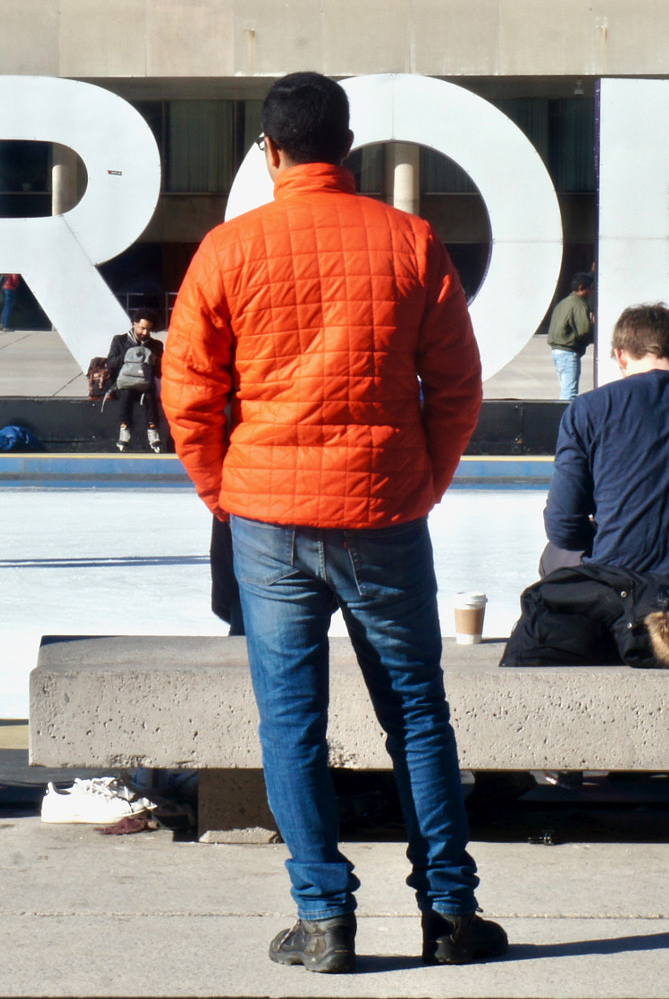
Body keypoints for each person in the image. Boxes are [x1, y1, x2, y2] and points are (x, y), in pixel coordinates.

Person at [161, 71, 505, 974]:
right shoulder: (410, 241)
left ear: (267, 152)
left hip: (269, 513)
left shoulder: (227, 251)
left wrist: (223, 492)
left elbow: (188, 395)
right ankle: (450, 912)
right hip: (384, 503)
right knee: (418, 712)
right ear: (346, 150)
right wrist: (423, 479)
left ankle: (324, 921)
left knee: (291, 723)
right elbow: (458, 387)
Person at [543, 302, 669, 580]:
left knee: (552, 556)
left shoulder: (587, 409)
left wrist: (607, 535)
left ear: (621, 356)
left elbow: (562, 525)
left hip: (618, 585)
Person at [106, 310, 166, 452]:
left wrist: (156, 361)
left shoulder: (155, 345)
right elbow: (111, 363)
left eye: (149, 330)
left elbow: (160, 373)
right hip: (124, 384)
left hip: (145, 385)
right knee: (127, 392)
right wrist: (130, 355)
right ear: (134, 324)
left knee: (150, 393)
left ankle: (153, 430)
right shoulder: (120, 341)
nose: (145, 333)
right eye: (142, 328)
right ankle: (124, 428)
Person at [546, 272, 594, 403]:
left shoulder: (564, 303)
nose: (591, 292)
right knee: (569, 393)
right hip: (568, 352)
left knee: (566, 389)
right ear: (582, 288)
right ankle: (564, 419)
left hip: (557, 351)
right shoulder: (579, 305)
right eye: (590, 288)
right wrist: (591, 325)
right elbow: (584, 330)